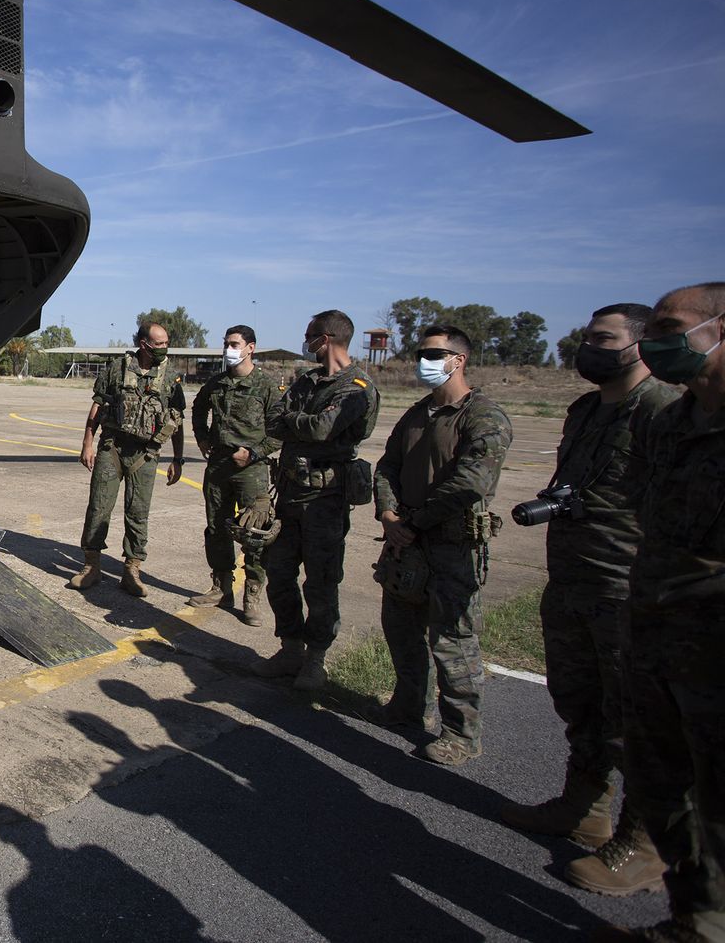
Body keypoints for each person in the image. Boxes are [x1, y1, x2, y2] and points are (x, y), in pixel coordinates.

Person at [498, 304, 676, 894]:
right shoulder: (584, 411)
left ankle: (646, 842)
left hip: (627, 588)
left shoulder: (661, 411)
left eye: (604, 338)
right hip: (572, 580)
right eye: (588, 336)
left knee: (638, 721)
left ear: (641, 345)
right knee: (580, 700)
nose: (588, 346)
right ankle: (585, 809)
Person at [595, 282, 725, 943]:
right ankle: (692, 920)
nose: (654, 343)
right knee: (664, 790)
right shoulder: (672, 422)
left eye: (671, 326)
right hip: (656, 637)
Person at [372, 325, 512, 765]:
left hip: (452, 547)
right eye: (421, 353)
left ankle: (460, 732)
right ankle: (409, 706)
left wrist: (414, 521)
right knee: (401, 629)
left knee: (453, 640)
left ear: (459, 360)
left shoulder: (483, 416)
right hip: (405, 545)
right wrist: (389, 515)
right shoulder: (416, 414)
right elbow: (387, 467)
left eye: (434, 353)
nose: (423, 361)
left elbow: (472, 482)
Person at [251, 309, 379, 690]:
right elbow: (272, 421)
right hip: (290, 494)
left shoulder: (356, 386)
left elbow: (323, 428)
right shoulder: (307, 381)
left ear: (325, 338)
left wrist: (295, 420)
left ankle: (315, 659)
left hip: (325, 499)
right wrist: (298, 421)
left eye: (309, 335)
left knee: (321, 582)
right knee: (280, 573)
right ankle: (290, 650)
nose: (305, 342)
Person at [67, 322, 187, 597]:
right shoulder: (118, 369)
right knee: (98, 507)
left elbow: (177, 420)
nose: (164, 348)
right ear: (144, 344)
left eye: (166, 343)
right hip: (112, 448)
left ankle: (132, 570)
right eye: (159, 344)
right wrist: (87, 443)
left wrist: (178, 459)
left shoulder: (171, 376)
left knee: (138, 513)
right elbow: (97, 405)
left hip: (145, 455)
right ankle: (91, 566)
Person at [190, 325, 283, 624]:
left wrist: (254, 453)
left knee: (254, 533)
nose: (228, 349)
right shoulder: (217, 383)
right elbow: (198, 408)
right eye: (226, 343)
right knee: (216, 529)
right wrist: (202, 438)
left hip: (251, 471)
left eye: (234, 344)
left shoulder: (266, 387)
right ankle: (221, 587)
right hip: (218, 467)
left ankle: (252, 595)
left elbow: (280, 432)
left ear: (250, 348)